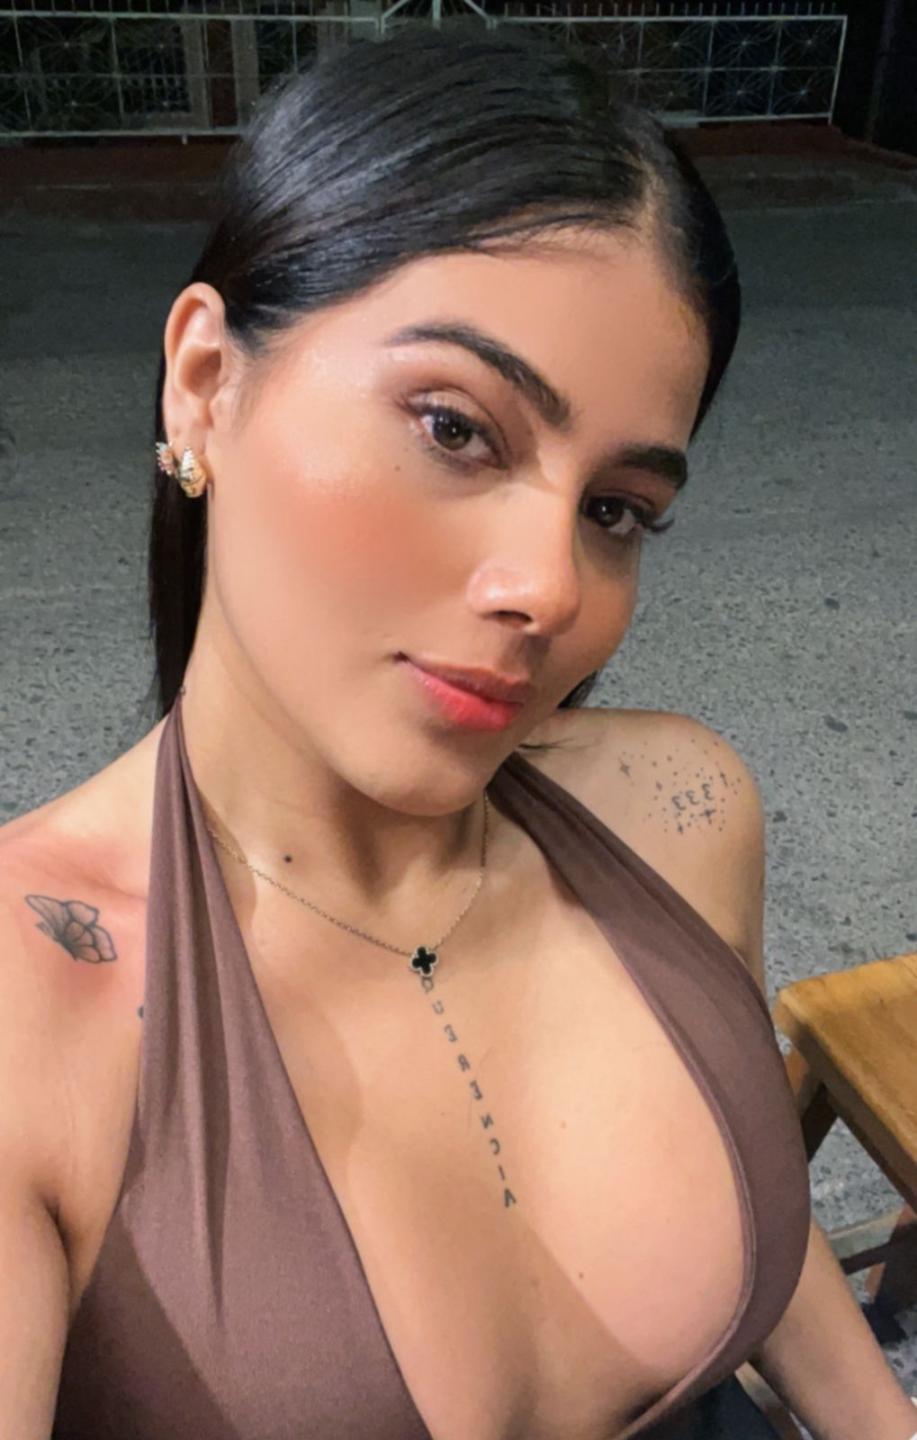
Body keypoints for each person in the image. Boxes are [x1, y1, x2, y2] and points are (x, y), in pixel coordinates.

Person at [0, 21, 826, 1440]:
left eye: (615, 509)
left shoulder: (676, 814)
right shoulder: (36, 1010)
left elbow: (732, 1171)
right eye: (455, 428)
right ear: (204, 382)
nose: (551, 588)